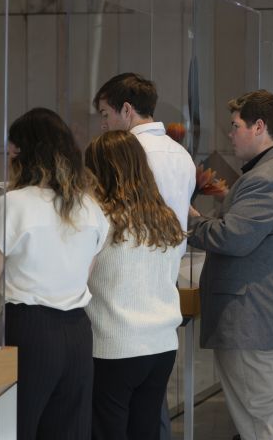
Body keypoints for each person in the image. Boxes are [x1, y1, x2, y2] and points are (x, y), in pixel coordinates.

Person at [0, 108, 110, 440]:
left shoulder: (13, 204)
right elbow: (84, 273)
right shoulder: (89, 207)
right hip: (77, 334)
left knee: (6, 431)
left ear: (21, 153)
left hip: (27, 333)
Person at [188, 90, 273, 440]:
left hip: (255, 323)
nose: (230, 134)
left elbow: (233, 237)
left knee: (261, 425)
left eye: (235, 126)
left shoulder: (266, 177)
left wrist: (192, 222)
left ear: (259, 127)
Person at [93, 72, 196, 439]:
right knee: (148, 423)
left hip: (120, 321)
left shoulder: (124, 162)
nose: (103, 125)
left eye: (105, 114)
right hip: (161, 317)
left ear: (126, 109)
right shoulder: (182, 157)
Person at [84, 130, 184, 440]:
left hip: (115, 346)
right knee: (145, 431)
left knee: (107, 431)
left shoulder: (100, 218)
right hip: (162, 345)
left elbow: (79, 276)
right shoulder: (164, 219)